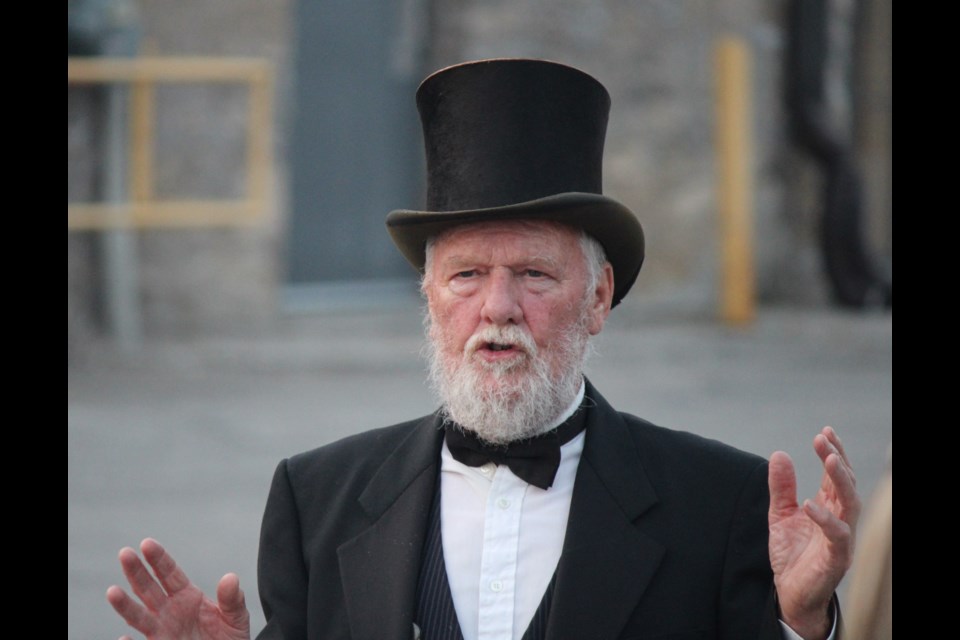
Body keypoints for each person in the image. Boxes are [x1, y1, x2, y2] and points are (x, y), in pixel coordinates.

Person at [107, 58, 861, 640]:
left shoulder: (723, 503)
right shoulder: (317, 502)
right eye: (467, 275)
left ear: (597, 299)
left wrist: (800, 622)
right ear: (429, 299)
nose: (498, 309)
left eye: (534, 274)